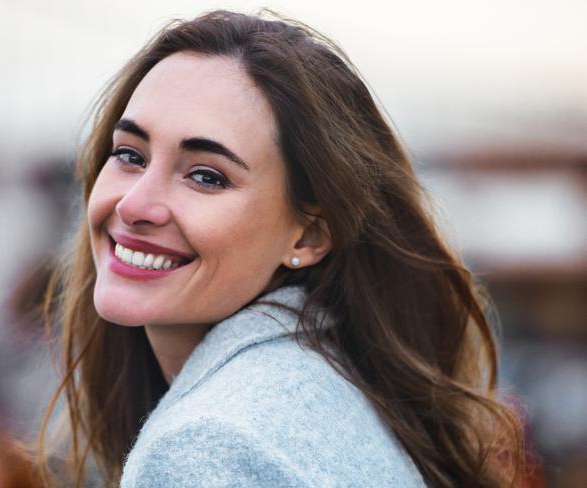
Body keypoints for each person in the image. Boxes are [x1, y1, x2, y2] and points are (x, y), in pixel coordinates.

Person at [38, 10, 524, 488]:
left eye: (206, 176)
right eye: (130, 155)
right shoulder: (335, 391)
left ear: (309, 235)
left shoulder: (208, 450)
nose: (136, 204)